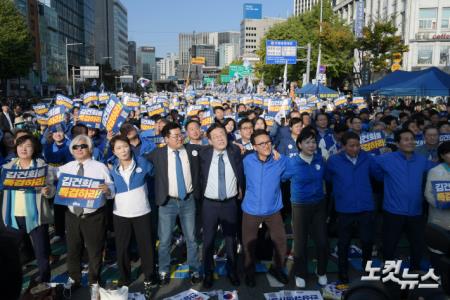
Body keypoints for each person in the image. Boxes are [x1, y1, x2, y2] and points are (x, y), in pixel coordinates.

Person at [58, 134, 115, 299]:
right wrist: (48, 188)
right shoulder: (66, 167)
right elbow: (53, 183)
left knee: (95, 251)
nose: (79, 149)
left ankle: (94, 281)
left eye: (82, 146)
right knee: (73, 249)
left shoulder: (100, 167)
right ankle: (74, 279)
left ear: (89, 148)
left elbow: (111, 188)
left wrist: (107, 190)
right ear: (71, 150)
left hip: (94, 216)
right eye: (75, 147)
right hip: (72, 215)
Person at [146, 122, 202, 285]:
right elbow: (135, 159)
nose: (179, 138)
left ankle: (195, 269)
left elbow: (213, 152)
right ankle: (163, 270)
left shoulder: (192, 150)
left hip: (188, 200)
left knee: (191, 238)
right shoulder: (158, 153)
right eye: (175, 136)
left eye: (180, 134)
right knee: (164, 240)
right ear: (166, 138)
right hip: (167, 202)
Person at [372, 128, 434, 271]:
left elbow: (437, 169)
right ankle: (388, 271)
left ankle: (415, 271)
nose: (410, 142)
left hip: (416, 211)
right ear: (397, 143)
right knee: (390, 244)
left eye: (412, 139)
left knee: (417, 245)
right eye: (406, 139)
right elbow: (372, 166)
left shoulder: (421, 160)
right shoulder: (386, 159)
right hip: (393, 211)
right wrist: (382, 178)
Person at [1, 135, 55, 283]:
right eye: (20, 145)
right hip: (12, 216)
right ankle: (11, 282)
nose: (23, 149)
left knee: (42, 253)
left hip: (36, 217)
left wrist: (48, 190)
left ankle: (45, 283)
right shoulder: (7, 167)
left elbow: (51, 188)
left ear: (34, 148)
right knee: (9, 253)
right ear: (15, 147)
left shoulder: (42, 167)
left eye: (28, 146)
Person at [109, 135, 158, 298]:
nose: (123, 150)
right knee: (122, 248)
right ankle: (124, 278)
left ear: (130, 146)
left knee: (146, 246)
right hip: (120, 213)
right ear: (114, 152)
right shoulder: (111, 167)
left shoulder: (142, 162)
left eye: (125, 146)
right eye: (118, 148)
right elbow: (108, 190)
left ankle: (149, 276)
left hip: (142, 211)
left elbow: (156, 174)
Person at [326, 132, 376, 284]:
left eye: (357, 145)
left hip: (365, 206)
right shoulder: (334, 160)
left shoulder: (367, 157)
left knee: (367, 241)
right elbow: (328, 178)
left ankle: (367, 268)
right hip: (345, 207)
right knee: (344, 242)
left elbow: (376, 175)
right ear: (343, 146)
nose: (355, 149)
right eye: (351, 146)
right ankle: (343, 271)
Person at [241, 129, 288, 287]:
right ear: (254, 146)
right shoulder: (247, 160)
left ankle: (278, 268)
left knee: (280, 242)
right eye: (261, 143)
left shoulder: (279, 160)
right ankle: (249, 273)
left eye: (268, 142)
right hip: (251, 210)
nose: (266, 146)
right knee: (249, 243)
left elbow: (298, 163)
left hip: (273, 210)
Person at [199, 124, 244, 288]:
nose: (220, 138)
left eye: (222, 134)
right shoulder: (202, 154)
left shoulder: (235, 151)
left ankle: (232, 270)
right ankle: (208, 272)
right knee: (208, 240)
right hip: (209, 204)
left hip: (230, 203)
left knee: (231, 240)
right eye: (215, 136)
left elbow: (253, 150)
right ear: (209, 140)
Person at [283, 129, 328, 288]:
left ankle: (321, 271)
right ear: (299, 145)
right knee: (300, 243)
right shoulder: (292, 162)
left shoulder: (320, 160)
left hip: (319, 205)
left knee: (322, 242)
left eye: (313, 142)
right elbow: (282, 178)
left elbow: (326, 178)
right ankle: (300, 273)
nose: (311, 145)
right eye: (307, 142)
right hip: (300, 206)